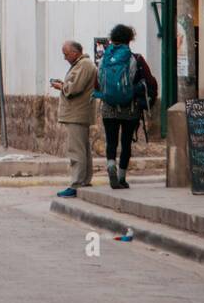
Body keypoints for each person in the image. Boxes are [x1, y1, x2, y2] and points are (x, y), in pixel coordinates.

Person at [95, 23, 156, 189]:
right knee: (126, 142)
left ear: (112, 38)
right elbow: (150, 82)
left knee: (111, 141)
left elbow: (97, 83)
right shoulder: (136, 59)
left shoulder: (103, 59)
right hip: (131, 107)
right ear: (130, 39)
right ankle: (121, 178)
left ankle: (110, 165)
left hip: (109, 107)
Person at [51, 40, 97, 197]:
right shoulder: (81, 64)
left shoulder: (84, 65)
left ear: (75, 52)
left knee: (76, 150)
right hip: (78, 113)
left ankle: (76, 183)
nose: (64, 57)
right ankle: (84, 180)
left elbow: (75, 88)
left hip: (77, 114)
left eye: (66, 54)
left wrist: (61, 87)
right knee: (82, 149)